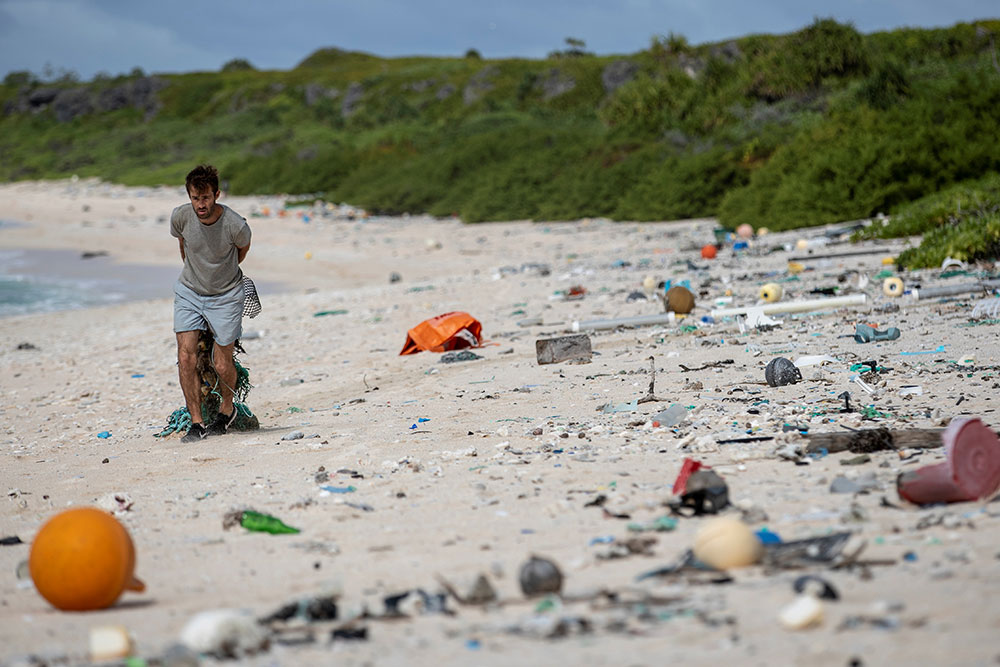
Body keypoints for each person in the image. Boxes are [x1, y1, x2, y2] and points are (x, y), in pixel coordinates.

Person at [171, 165, 251, 442]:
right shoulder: (181, 216)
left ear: (216, 194)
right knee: (185, 356)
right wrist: (198, 275)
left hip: (227, 294)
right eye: (195, 198)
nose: (200, 205)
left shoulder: (235, 224)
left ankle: (226, 410)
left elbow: (242, 250)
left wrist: (220, 274)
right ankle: (196, 422)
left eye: (205, 198)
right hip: (189, 291)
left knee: (221, 361)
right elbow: (184, 245)